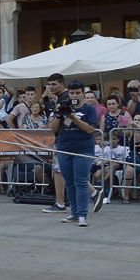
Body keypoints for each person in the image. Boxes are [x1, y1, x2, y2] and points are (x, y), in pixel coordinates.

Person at [50, 79, 98, 226]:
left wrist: (72, 117)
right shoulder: (62, 106)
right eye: (72, 93)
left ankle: (83, 215)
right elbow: (53, 129)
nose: (74, 96)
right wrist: (59, 115)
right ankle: (74, 213)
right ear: (68, 93)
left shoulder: (89, 109)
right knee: (69, 183)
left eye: (78, 93)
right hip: (64, 148)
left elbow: (90, 129)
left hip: (83, 149)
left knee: (81, 182)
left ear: (83, 94)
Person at [40, 73, 70, 214]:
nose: (51, 87)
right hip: (62, 139)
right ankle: (94, 193)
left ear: (62, 84)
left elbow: (56, 125)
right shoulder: (59, 98)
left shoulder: (64, 98)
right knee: (66, 170)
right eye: (49, 84)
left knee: (59, 171)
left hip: (64, 139)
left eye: (54, 84)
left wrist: (50, 126)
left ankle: (60, 203)